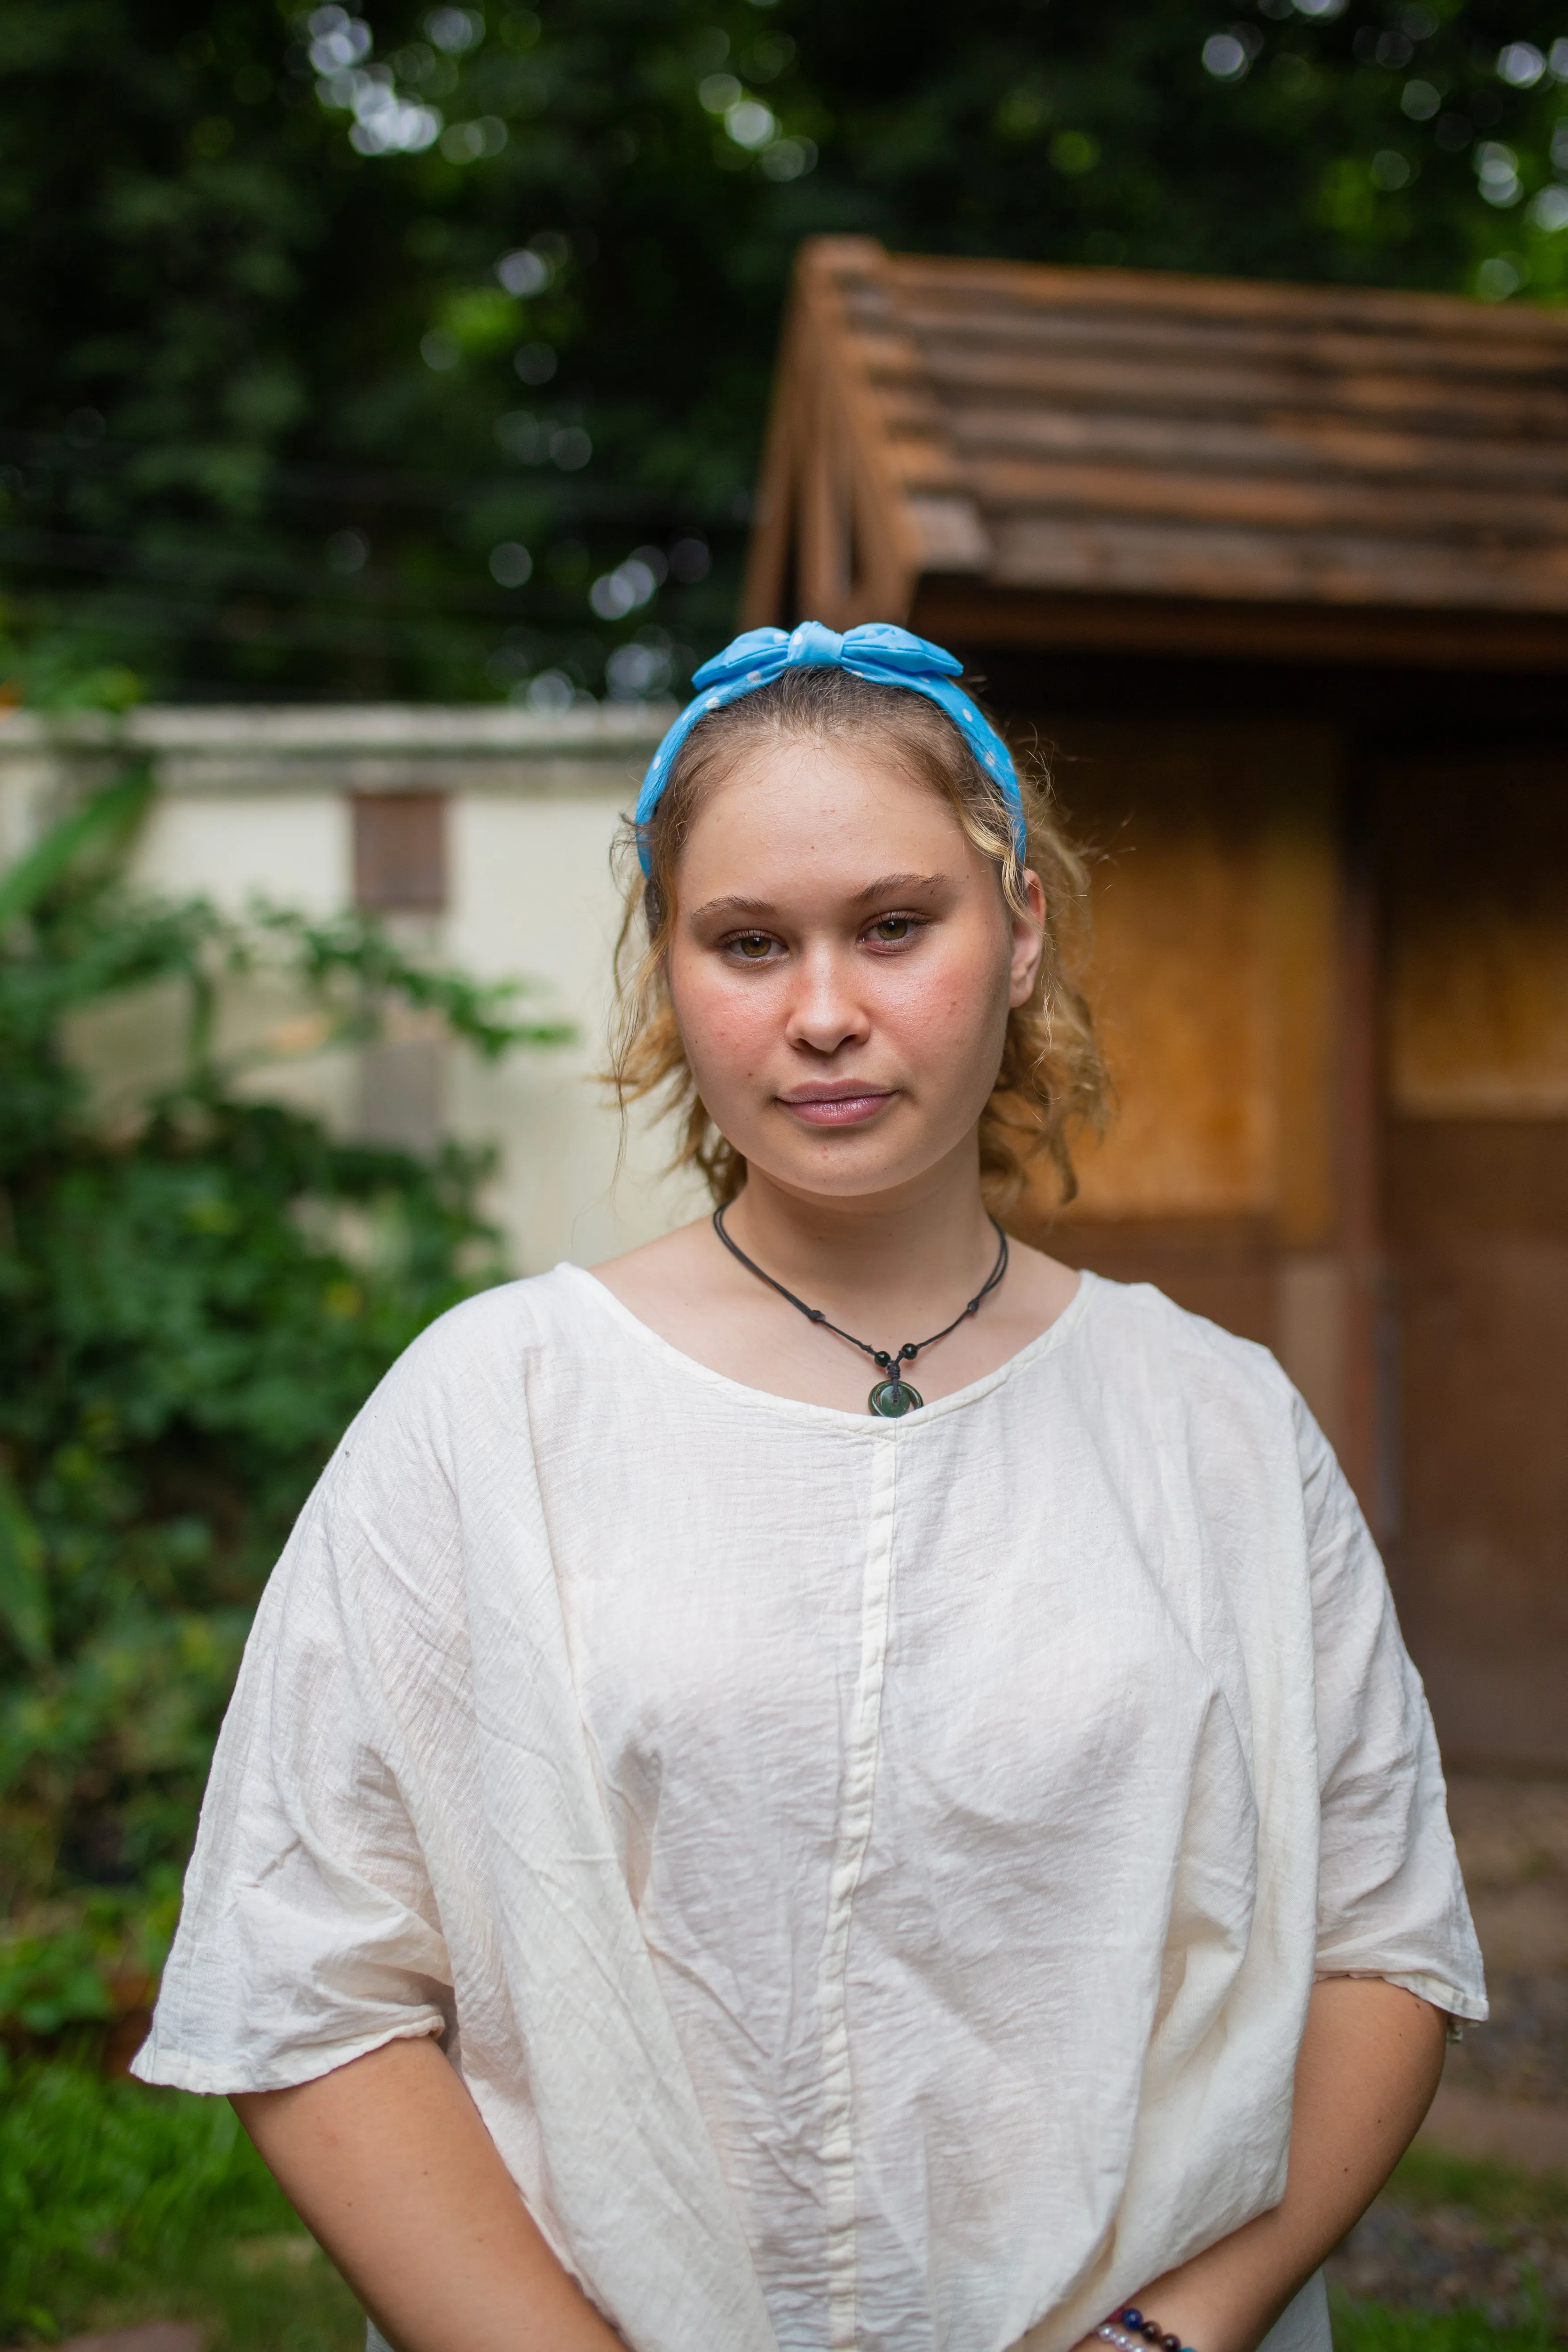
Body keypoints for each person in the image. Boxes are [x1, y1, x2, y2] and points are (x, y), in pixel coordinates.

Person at [133, 620, 1486, 2352]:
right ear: (670, 964)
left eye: (894, 925)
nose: (825, 1010)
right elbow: (312, 1969)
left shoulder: (1214, 1422)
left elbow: (1376, 1938)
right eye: (748, 942)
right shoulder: (493, 1409)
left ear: (1019, 931)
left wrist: (1173, 2335)